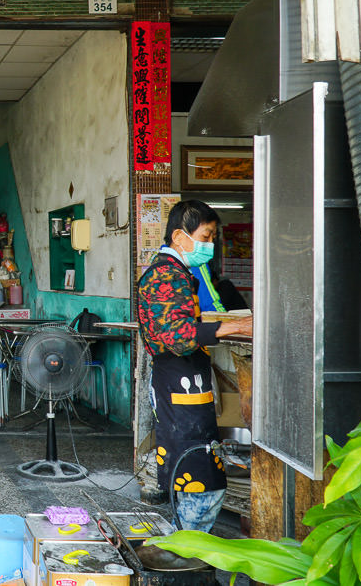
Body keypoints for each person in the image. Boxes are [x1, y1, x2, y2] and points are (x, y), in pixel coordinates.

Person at [136, 200, 252, 533]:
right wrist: (234, 327)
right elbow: (175, 335)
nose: (210, 244)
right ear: (179, 236)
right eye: (206, 235)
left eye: (213, 236)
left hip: (185, 384)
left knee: (195, 472)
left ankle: (183, 548)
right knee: (201, 480)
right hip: (178, 383)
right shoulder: (165, 275)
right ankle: (186, 553)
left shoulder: (177, 272)